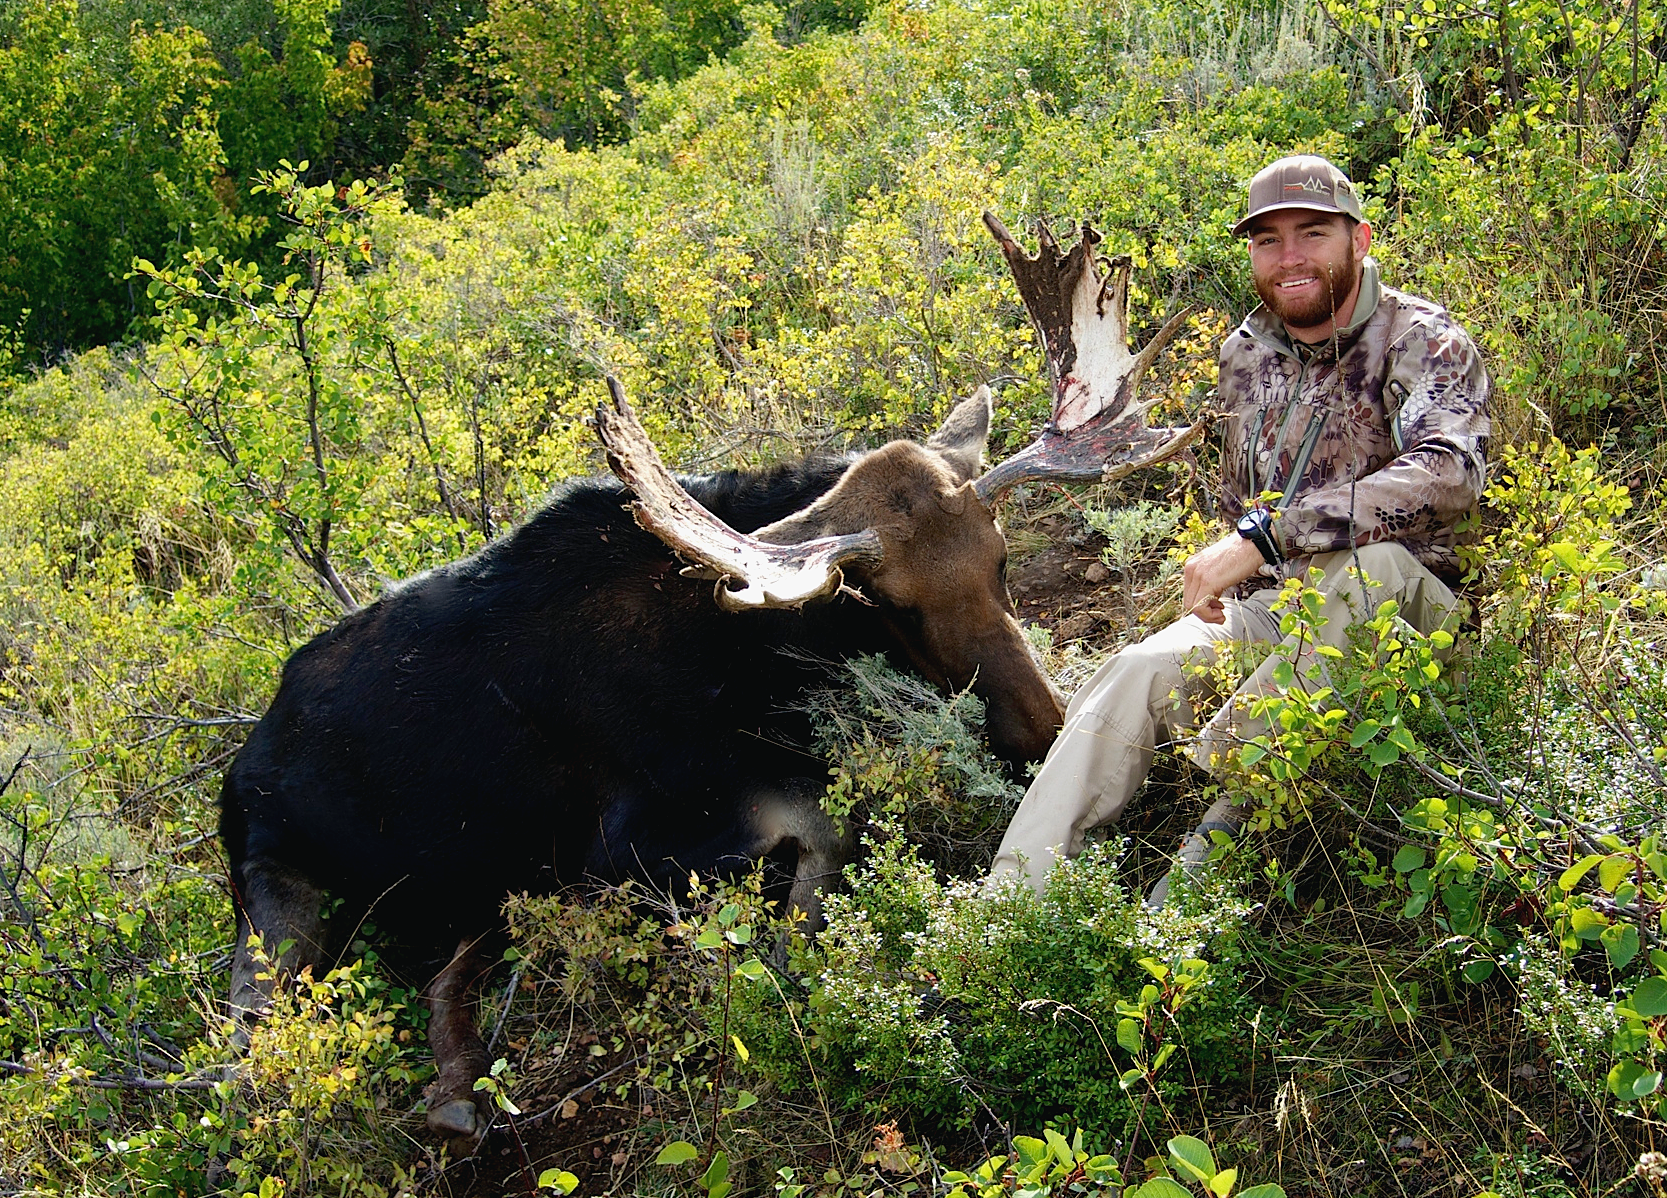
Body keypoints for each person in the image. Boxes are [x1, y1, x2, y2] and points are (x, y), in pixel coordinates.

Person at [985, 154, 1490, 902]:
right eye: (1267, 240)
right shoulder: (1243, 356)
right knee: (1138, 671)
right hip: (1284, 615)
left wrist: (1264, 538)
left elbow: (1449, 474)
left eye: (1311, 234)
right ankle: (1007, 911)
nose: (1289, 257)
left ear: (1361, 238)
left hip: (1413, 629)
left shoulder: (1421, 338)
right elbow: (1241, 501)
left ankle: (1176, 913)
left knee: (1369, 571)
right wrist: (1236, 565)